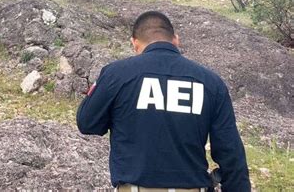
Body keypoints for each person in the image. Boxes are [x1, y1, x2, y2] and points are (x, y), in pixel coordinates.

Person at [76, 11, 250, 192]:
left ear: (134, 43)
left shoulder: (116, 74)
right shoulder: (210, 83)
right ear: (175, 39)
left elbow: (87, 123)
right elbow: (231, 154)